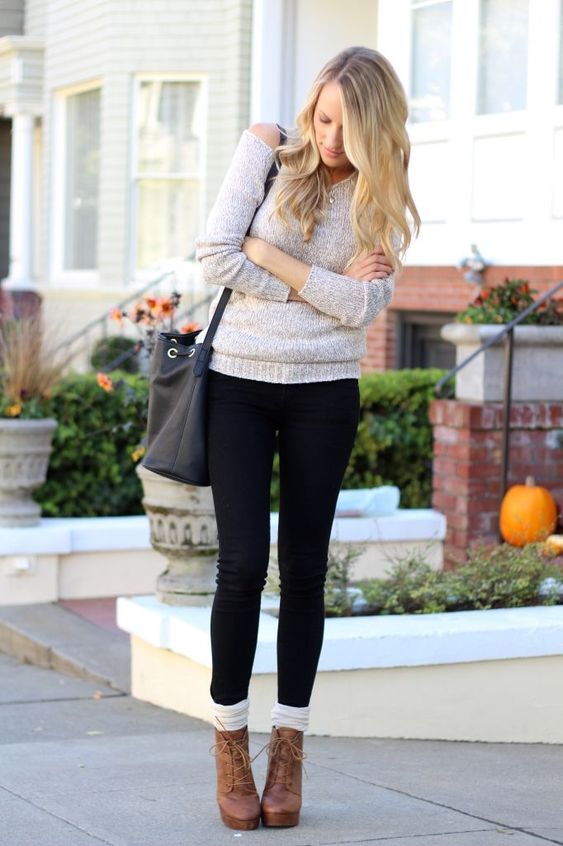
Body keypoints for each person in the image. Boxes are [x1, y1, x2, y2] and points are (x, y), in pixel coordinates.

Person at [195, 45, 420, 831]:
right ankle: (230, 746)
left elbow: (363, 309)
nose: (328, 138)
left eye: (346, 127)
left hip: (325, 393)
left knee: (304, 572)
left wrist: (273, 261)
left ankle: (287, 751)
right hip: (237, 383)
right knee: (239, 566)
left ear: (373, 128)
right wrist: (318, 288)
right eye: (322, 119)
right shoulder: (267, 150)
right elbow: (215, 254)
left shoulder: (382, 191)